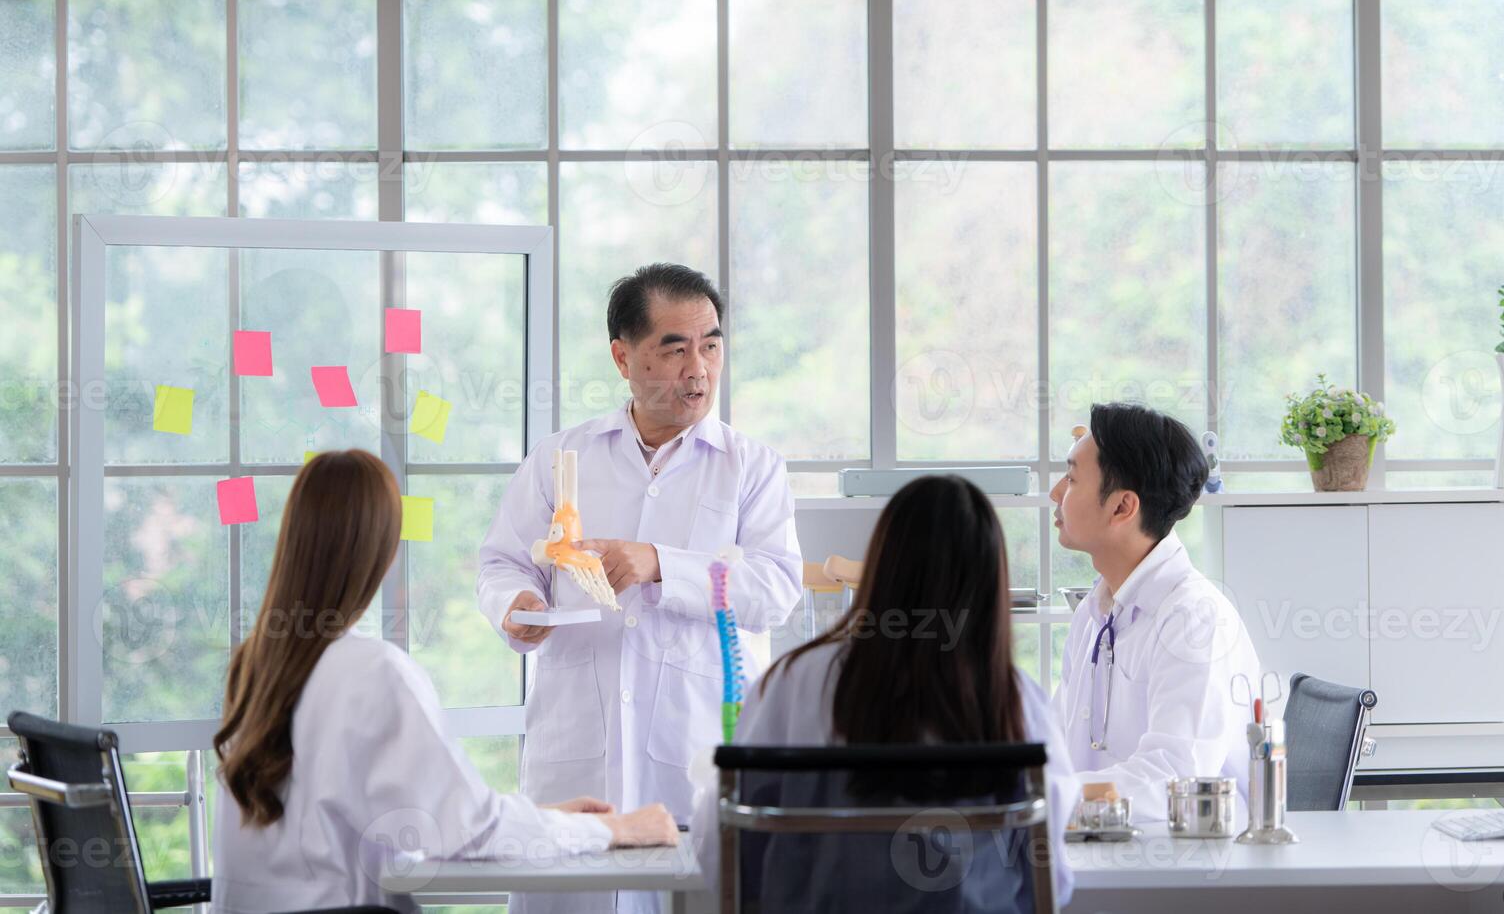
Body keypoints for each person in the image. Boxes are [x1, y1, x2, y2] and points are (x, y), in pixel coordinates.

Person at [211, 450, 677, 914]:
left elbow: (426, 817)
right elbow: (469, 832)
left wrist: (545, 820)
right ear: (382, 552)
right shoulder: (370, 671)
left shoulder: (257, 665)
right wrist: (617, 830)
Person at [477, 263, 804, 913]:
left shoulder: (751, 468)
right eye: (674, 348)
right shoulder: (560, 458)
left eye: (710, 345)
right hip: (578, 753)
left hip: (691, 752)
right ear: (622, 357)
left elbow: (774, 590)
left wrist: (662, 563)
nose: (699, 368)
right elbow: (503, 563)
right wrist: (515, 606)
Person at [695, 475, 1078, 911]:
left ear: (881, 564)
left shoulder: (792, 682)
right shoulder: (1015, 697)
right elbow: (1051, 878)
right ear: (991, 584)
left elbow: (723, 847)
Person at [1052, 403, 1261, 822]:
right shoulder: (1094, 613)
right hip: (1104, 847)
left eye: (1072, 478)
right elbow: (1057, 746)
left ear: (1122, 508)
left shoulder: (1193, 619)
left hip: (1192, 866)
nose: (1056, 492)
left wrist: (1049, 799)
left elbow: (1172, 779)